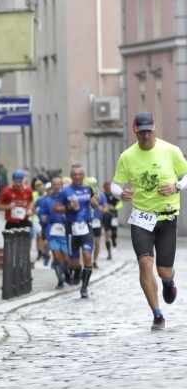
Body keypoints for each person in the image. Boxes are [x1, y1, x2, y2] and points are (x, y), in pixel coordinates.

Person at [110, 112, 187, 330]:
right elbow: (115, 184)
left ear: (155, 128)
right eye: (141, 131)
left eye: (148, 131)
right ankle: (157, 314)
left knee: (164, 270)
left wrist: (176, 187)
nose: (145, 136)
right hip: (141, 217)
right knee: (144, 264)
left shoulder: (170, 150)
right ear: (135, 131)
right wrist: (120, 193)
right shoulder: (127, 156)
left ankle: (168, 282)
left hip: (167, 216)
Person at [54, 164, 99, 299]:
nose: (77, 177)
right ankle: (77, 270)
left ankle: (84, 288)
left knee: (87, 255)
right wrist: (68, 207)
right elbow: (56, 209)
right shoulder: (65, 191)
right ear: (71, 176)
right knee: (73, 263)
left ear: (83, 176)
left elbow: (95, 204)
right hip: (71, 228)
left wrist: (94, 203)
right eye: (75, 174)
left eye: (80, 174)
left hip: (86, 226)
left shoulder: (88, 189)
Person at [36, 176, 69, 289]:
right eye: (54, 185)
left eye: (59, 184)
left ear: (62, 186)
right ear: (52, 186)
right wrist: (42, 217)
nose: (56, 187)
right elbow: (41, 212)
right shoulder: (46, 200)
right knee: (56, 256)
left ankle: (66, 272)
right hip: (53, 231)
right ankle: (60, 280)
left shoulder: (66, 199)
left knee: (66, 258)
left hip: (65, 231)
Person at [101, 181, 122, 259]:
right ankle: (109, 253)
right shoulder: (102, 196)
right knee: (107, 234)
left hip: (114, 216)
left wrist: (115, 208)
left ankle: (114, 240)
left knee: (114, 233)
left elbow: (120, 204)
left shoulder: (114, 196)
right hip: (106, 216)